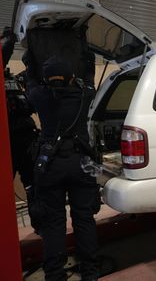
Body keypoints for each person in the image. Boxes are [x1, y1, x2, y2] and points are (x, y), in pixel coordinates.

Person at [25, 56, 99, 281]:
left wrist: (30, 62)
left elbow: (30, 81)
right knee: (84, 219)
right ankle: (90, 274)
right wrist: (86, 57)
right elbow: (89, 77)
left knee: (53, 223)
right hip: (81, 164)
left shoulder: (39, 95)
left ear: (47, 79)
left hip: (50, 166)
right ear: (71, 77)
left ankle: (55, 276)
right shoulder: (85, 94)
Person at [1, 26, 39, 227]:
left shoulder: (16, 81)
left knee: (34, 187)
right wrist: (8, 39)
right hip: (9, 145)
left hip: (26, 140)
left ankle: (40, 227)